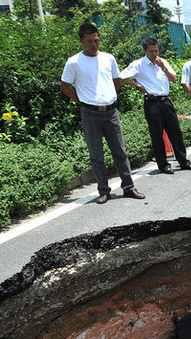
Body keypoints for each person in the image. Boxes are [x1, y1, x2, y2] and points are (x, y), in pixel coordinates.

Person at [60, 22, 145, 204]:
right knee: (97, 155)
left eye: (97, 40)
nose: (94, 44)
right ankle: (103, 191)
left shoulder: (108, 58)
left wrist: (110, 97)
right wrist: (80, 101)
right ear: (81, 41)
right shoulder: (74, 62)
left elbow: (117, 80)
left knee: (120, 151)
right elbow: (64, 86)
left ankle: (129, 187)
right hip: (90, 113)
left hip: (111, 112)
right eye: (90, 41)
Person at [120, 37, 191, 174]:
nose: (155, 54)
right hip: (151, 102)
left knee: (176, 132)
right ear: (144, 51)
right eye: (151, 51)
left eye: (156, 50)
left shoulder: (163, 62)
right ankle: (163, 165)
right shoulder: (138, 64)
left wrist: (163, 67)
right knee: (156, 134)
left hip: (166, 101)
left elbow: (173, 79)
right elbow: (121, 77)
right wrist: (136, 85)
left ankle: (183, 161)